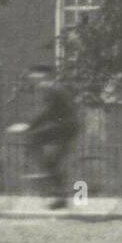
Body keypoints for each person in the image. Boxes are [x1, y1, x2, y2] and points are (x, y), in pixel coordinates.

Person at [21, 66, 78, 210]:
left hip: (66, 127)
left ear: (45, 76)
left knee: (40, 146)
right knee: (51, 161)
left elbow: (48, 112)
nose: (34, 80)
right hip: (64, 126)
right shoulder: (53, 88)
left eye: (36, 76)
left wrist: (31, 125)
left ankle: (56, 188)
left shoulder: (53, 89)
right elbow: (49, 113)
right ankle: (51, 179)